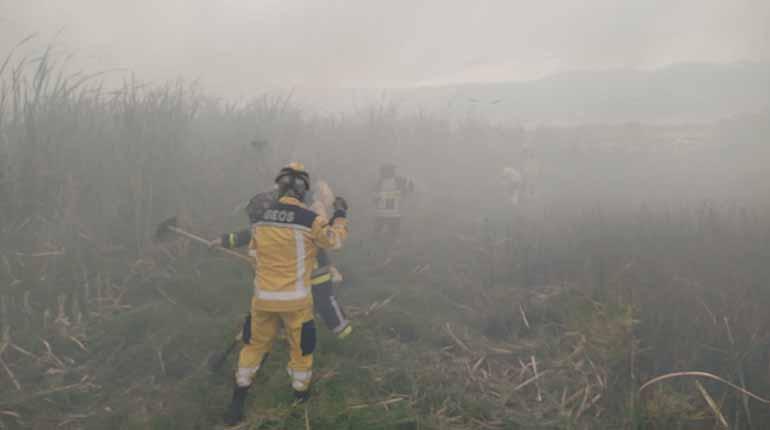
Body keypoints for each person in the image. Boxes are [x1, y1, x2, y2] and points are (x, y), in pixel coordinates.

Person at [212, 162, 349, 426]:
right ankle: (299, 404)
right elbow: (334, 240)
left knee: (253, 348)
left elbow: (254, 254)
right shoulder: (310, 219)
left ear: (279, 187)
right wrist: (340, 214)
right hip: (296, 303)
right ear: (303, 190)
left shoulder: (261, 219)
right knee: (301, 351)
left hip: (263, 301)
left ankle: (237, 403)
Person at [245, 179, 352, 339]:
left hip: (311, 271)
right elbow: (333, 239)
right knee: (316, 303)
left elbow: (329, 238)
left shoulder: (302, 216)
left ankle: (341, 333)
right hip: (304, 271)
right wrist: (340, 214)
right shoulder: (297, 217)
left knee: (322, 302)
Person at [373, 163, 413, 239]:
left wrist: (402, 193)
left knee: (380, 235)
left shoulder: (397, 180)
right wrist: (401, 193)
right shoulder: (381, 182)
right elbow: (410, 186)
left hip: (386, 214)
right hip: (389, 214)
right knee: (390, 235)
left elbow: (375, 198)